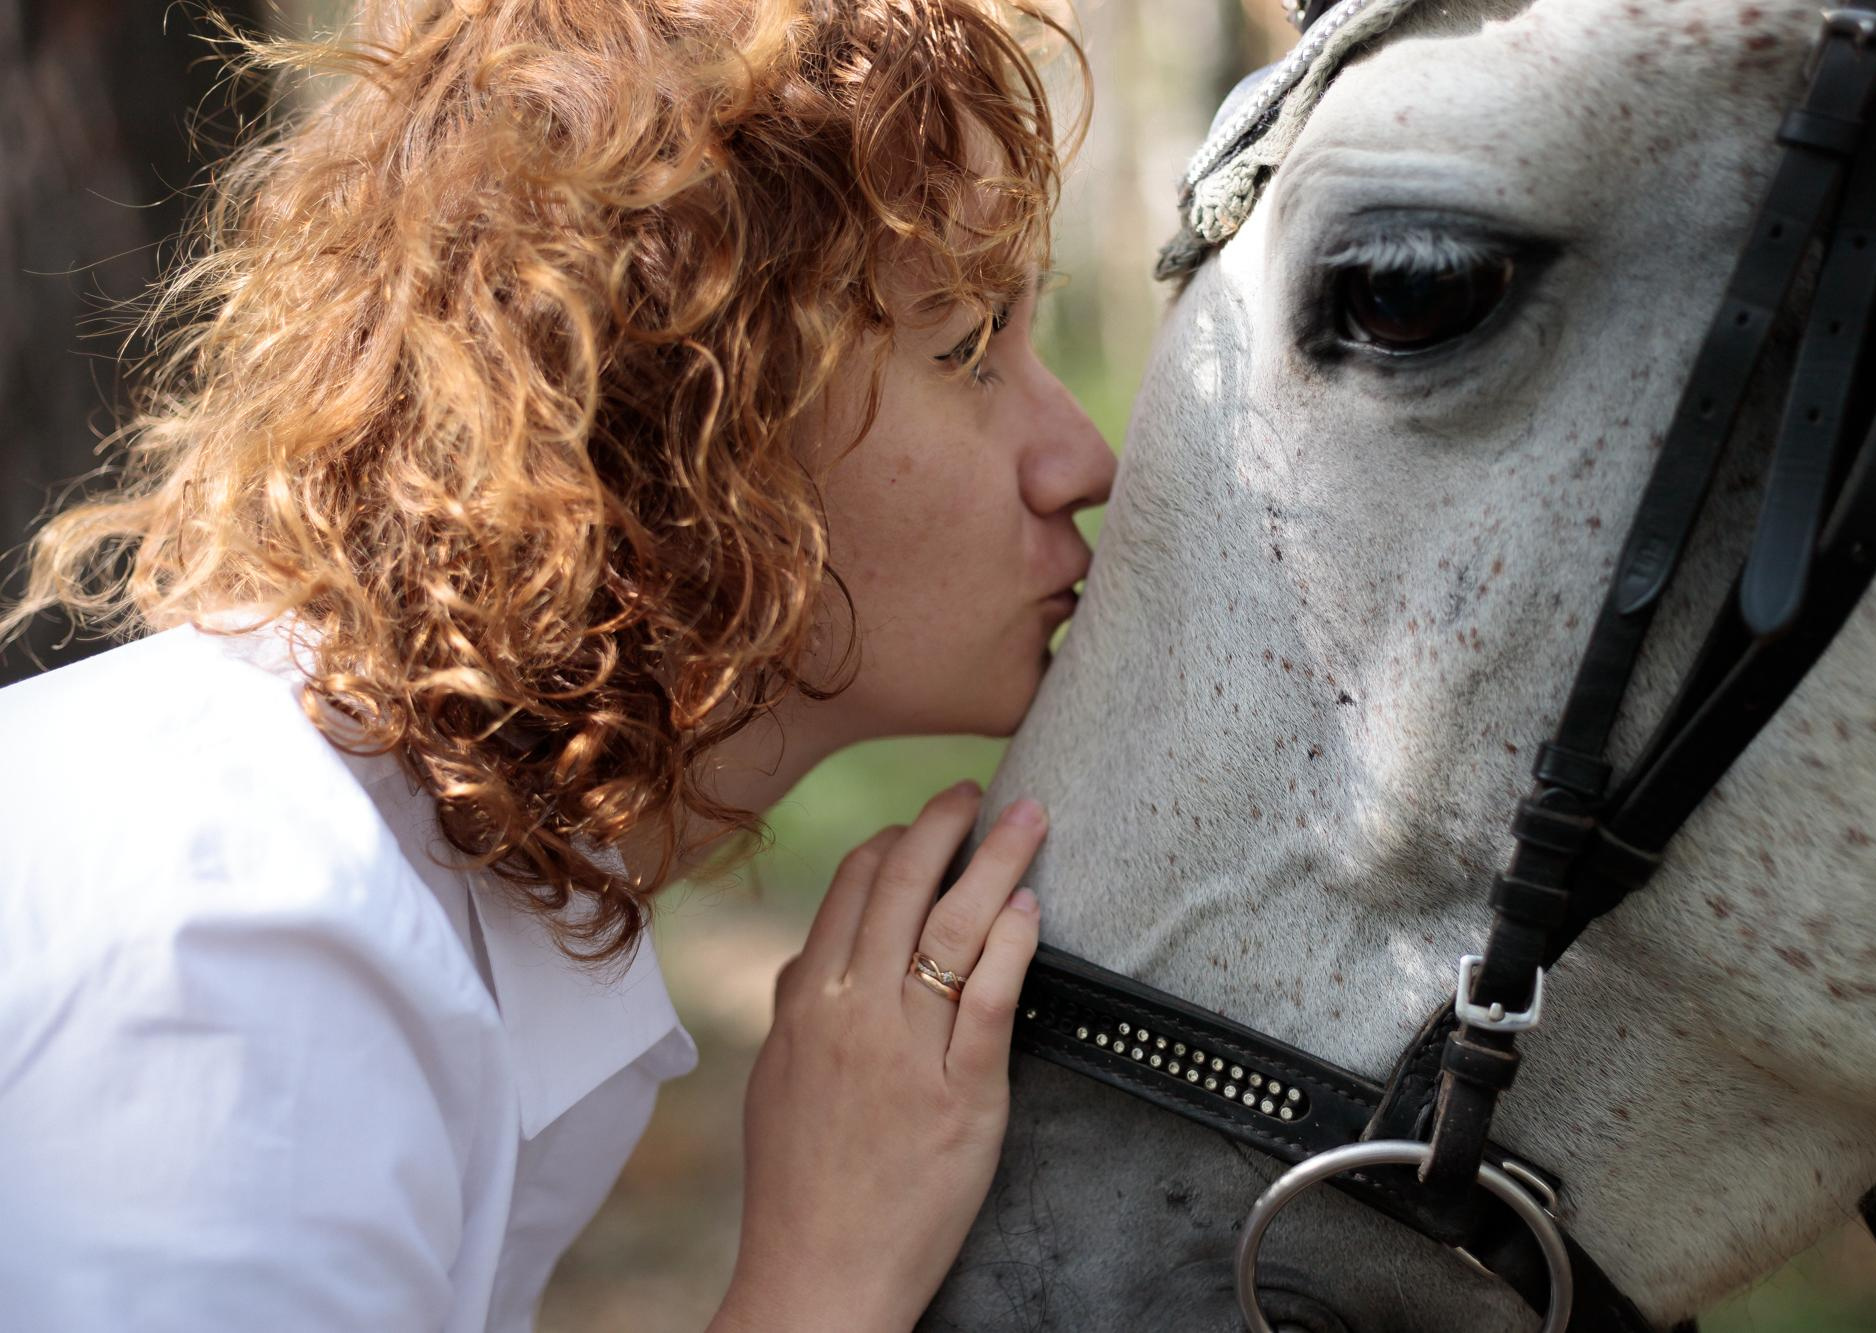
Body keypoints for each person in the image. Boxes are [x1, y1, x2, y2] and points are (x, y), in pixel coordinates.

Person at [0, 2, 1113, 1330]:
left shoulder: (375, 882)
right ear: (685, 405)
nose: (1084, 458)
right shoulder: (254, 943)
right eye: (972, 346)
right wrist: (827, 1274)